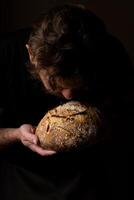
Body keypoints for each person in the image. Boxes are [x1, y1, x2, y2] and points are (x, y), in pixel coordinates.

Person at [0, 4, 132, 200]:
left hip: (84, 171)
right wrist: (16, 135)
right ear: (31, 55)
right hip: (22, 174)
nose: (69, 95)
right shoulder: (5, 55)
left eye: (79, 84)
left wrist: (101, 124)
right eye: (55, 84)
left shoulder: (108, 54)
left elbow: (120, 110)